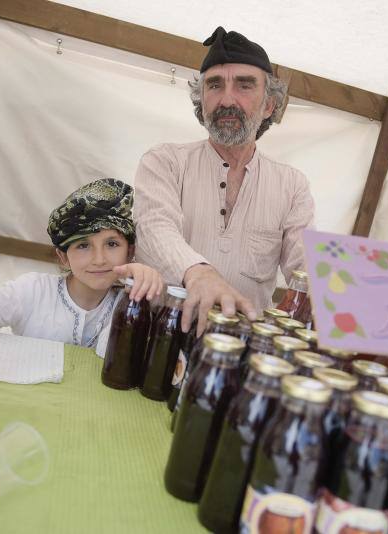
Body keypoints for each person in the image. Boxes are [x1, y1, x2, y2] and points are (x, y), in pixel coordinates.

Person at [133, 26, 315, 336]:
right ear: (201, 102)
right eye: (214, 86)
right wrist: (199, 273)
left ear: (270, 105)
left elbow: (307, 269)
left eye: (244, 86)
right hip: (159, 336)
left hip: (239, 351)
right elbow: (154, 227)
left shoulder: (292, 185)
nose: (226, 99)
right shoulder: (164, 161)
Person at [0, 179, 164, 355]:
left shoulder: (133, 305)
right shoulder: (32, 291)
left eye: (111, 243)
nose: (99, 259)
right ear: (63, 257)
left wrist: (139, 295)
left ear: (130, 252)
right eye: (83, 246)